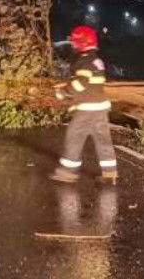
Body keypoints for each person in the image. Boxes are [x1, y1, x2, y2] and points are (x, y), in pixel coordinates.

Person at [49, 25, 118, 185]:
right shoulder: (96, 59)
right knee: (103, 141)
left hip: (87, 108)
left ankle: (67, 172)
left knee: (74, 136)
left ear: (82, 43)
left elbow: (81, 83)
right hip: (100, 107)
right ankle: (110, 175)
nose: (72, 45)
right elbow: (91, 83)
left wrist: (64, 92)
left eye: (74, 42)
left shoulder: (84, 61)